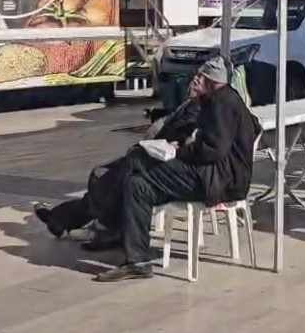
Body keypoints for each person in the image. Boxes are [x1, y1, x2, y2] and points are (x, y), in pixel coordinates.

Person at [94, 56, 258, 282]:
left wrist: (180, 151)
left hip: (216, 180)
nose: (196, 79)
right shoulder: (223, 100)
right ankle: (138, 261)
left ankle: (104, 199)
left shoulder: (223, 103)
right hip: (213, 174)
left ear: (212, 80)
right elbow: (246, 128)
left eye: (201, 76)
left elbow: (213, 150)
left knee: (137, 159)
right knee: (136, 185)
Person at [33, 83, 202, 245]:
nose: (195, 81)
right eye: (196, 76)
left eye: (201, 79)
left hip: (161, 162)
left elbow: (180, 135)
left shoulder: (201, 109)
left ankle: (103, 228)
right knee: (104, 179)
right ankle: (69, 221)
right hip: (152, 155)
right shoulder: (193, 105)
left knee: (103, 178)